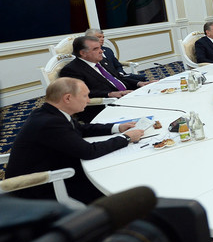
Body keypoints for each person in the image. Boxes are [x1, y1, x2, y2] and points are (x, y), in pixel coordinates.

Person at [4, 78, 144, 204]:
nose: (88, 100)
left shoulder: (50, 112)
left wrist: (117, 127)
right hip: (41, 186)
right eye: (85, 96)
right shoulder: (50, 123)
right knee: (119, 185)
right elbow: (88, 151)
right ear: (68, 98)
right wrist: (126, 138)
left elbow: (81, 129)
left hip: (56, 165)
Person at [60, 35, 150, 121]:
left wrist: (139, 83)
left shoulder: (101, 61)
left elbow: (118, 77)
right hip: (104, 107)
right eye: (96, 49)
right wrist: (110, 94)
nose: (101, 51)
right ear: (83, 53)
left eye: (100, 47)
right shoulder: (72, 70)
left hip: (127, 96)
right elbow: (79, 94)